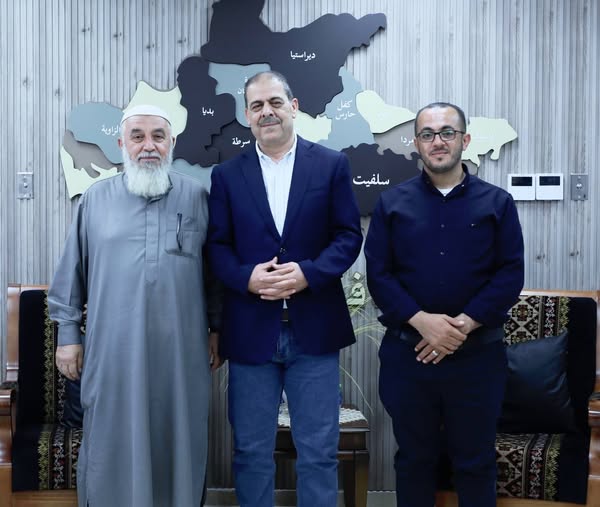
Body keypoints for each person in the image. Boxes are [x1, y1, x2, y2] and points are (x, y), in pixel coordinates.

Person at [48, 104, 222, 507]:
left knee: (179, 438)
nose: (148, 146)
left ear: (172, 142)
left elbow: (214, 276)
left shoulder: (197, 197)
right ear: (121, 143)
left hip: (180, 356)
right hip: (113, 353)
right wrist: (68, 336)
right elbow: (71, 273)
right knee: (111, 440)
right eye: (138, 136)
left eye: (158, 136)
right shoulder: (95, 199)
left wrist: (217, 329)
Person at [207, 71, 362, 507]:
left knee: (318, 454)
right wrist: (247, 278)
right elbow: (216, 247)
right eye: (257, 106)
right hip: (250, 332)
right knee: (251, 453)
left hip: (314, 331)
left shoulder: (331, 164)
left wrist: (308, 273)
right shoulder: (226, 175)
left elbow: (348, 236)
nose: (267, 112)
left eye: (275, 102)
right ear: (247, 115)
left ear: (293, 107)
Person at [365, 102, 524, 507]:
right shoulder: (391, 203)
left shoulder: (498, 203)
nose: (438, 141)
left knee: (475, 462)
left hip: (478, 359)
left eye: (447, 132)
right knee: (414, 460)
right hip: (409, 357)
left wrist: (463, 326)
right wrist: (423, 322)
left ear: (464, 140)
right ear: (416, 143)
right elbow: (379, 275)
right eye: (428, 134)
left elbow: (509, 274)